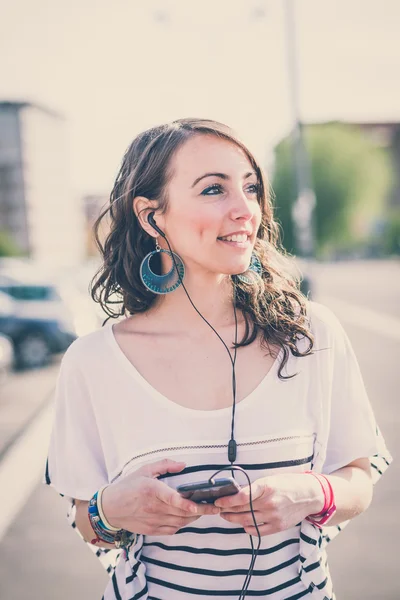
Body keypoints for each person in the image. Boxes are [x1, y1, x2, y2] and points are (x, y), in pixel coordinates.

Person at [45, 118, 391, 600]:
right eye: (213, 189)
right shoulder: (93, 361)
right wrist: (109, 510)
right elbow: (87, 520)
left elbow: (359, 478)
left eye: (250, 188)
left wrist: (314, 493)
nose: (244, 209)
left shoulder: (310, 334)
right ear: (151, 216)